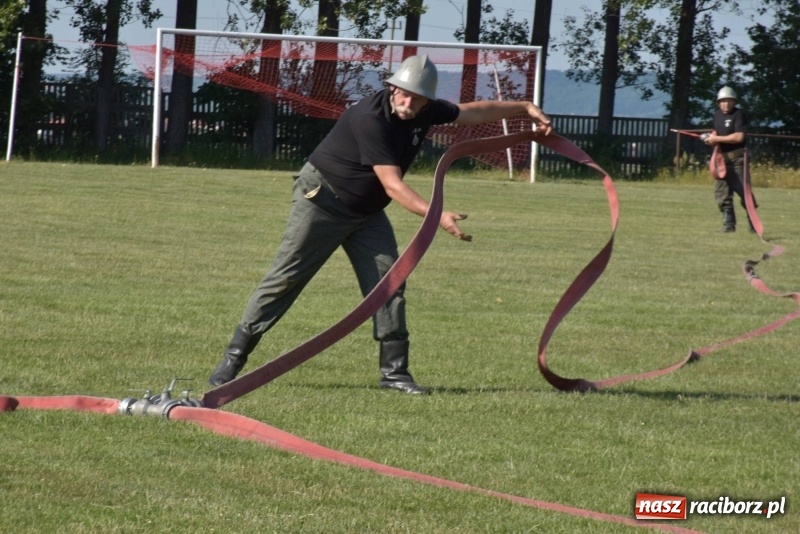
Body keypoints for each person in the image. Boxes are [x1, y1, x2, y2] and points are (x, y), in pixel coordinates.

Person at [208, 54, 553, 394]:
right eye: (401, 92)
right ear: (392, 89)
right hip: (322, 201)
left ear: (426, 100)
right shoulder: (370, 118)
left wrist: (522, 107)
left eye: (415, 97)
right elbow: (393, 184)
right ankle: (231, 363)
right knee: (285, 279)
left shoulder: (427, 109)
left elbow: (471, 112)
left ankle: (395, 374)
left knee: (390, 284)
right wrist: (437, 214)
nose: (406, 100)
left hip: (367, 212)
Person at [703, 85, 757, 232]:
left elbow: (739, 137)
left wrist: (717, 138)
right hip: (722, 160)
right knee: (722, 193)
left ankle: (753, 224)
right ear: (718, 103)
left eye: (729, 101)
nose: (726, 104)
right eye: (723, 101)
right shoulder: (716, 115)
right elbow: (716, 133)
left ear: (734, 102)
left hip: (738, 159)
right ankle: (728, 226)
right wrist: (710, 139)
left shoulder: (738, 115)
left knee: (743, 191)